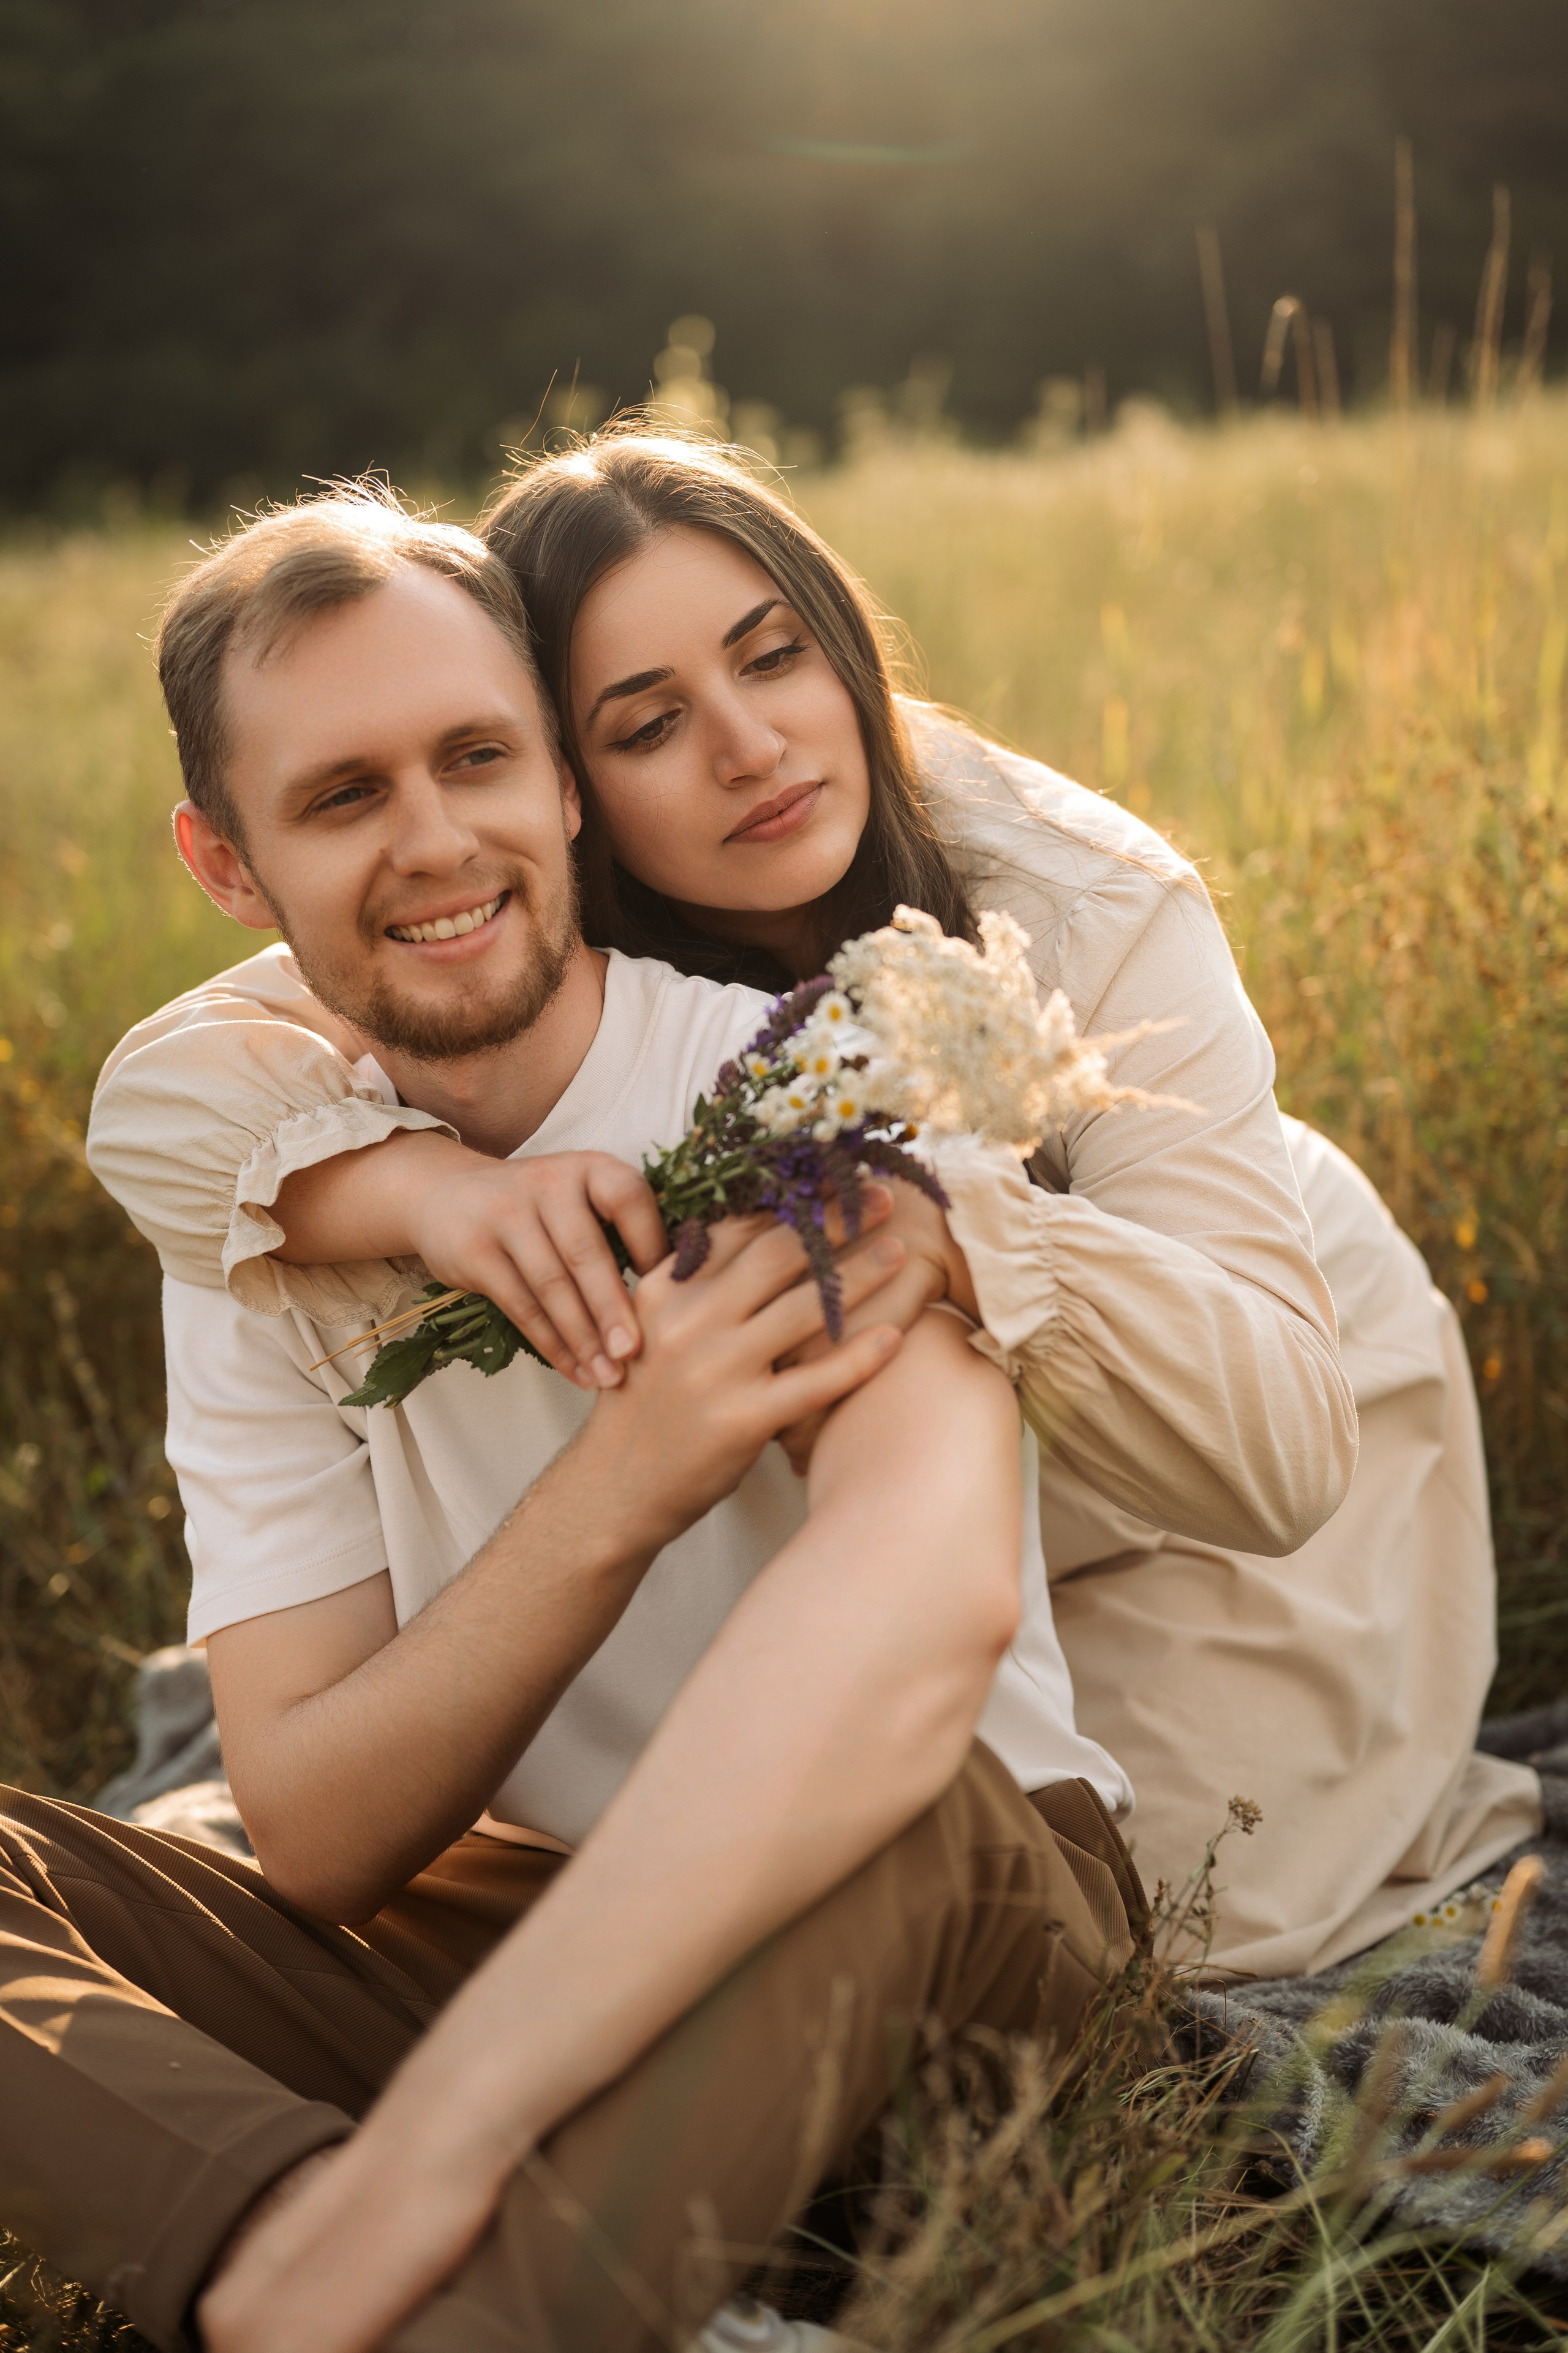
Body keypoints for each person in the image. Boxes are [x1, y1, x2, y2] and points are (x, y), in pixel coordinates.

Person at [88, 428, 1542, 1978]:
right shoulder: (485, 892)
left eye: (775, 657)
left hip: (1215, 1416)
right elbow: (171, 1088)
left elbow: (1278, 1456)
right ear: (565, 771)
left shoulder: (1082, 897)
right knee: (742, 1860)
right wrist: (412, 1184)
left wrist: (969, 1228)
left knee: (1113, 1927)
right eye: (646, 724)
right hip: (910, 1493)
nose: (752, 749)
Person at [6, 489, 1145, 2353]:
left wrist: (431, 2147)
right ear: (228, 868)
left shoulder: (800, 1091)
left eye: (477, 758)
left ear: (562, 784)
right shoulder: (261, 1206)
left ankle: (406, 2286)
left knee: (927, 1821)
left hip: (946, 1915)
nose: (434, 839)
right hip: (545, 1917)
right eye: (343, 795)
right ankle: (290, 2237)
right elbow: (313, 1833)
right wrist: (620, 1486)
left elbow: (924, 1616)